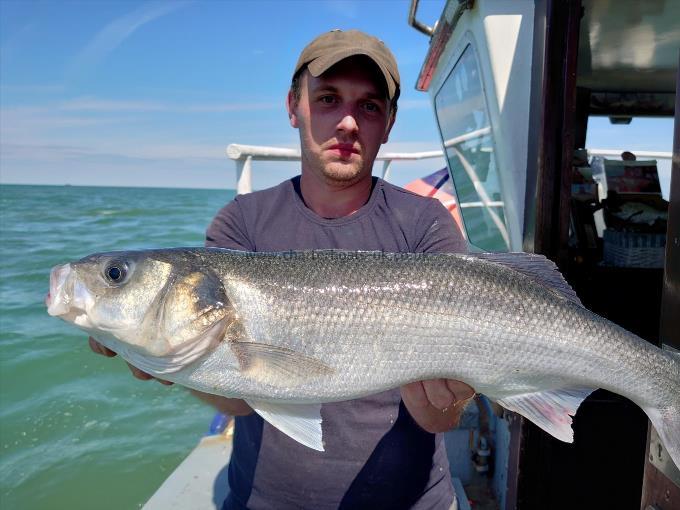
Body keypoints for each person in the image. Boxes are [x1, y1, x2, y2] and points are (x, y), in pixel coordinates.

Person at [90, 29, 475, 509]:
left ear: (390, 122)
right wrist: (175, 362)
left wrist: (448, 402)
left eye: (370, 107)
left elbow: (443, 419)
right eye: (329, 98)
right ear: (294, 106)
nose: (349, 122)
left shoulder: (425, 222)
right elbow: (237, 397)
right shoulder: (242, 221)